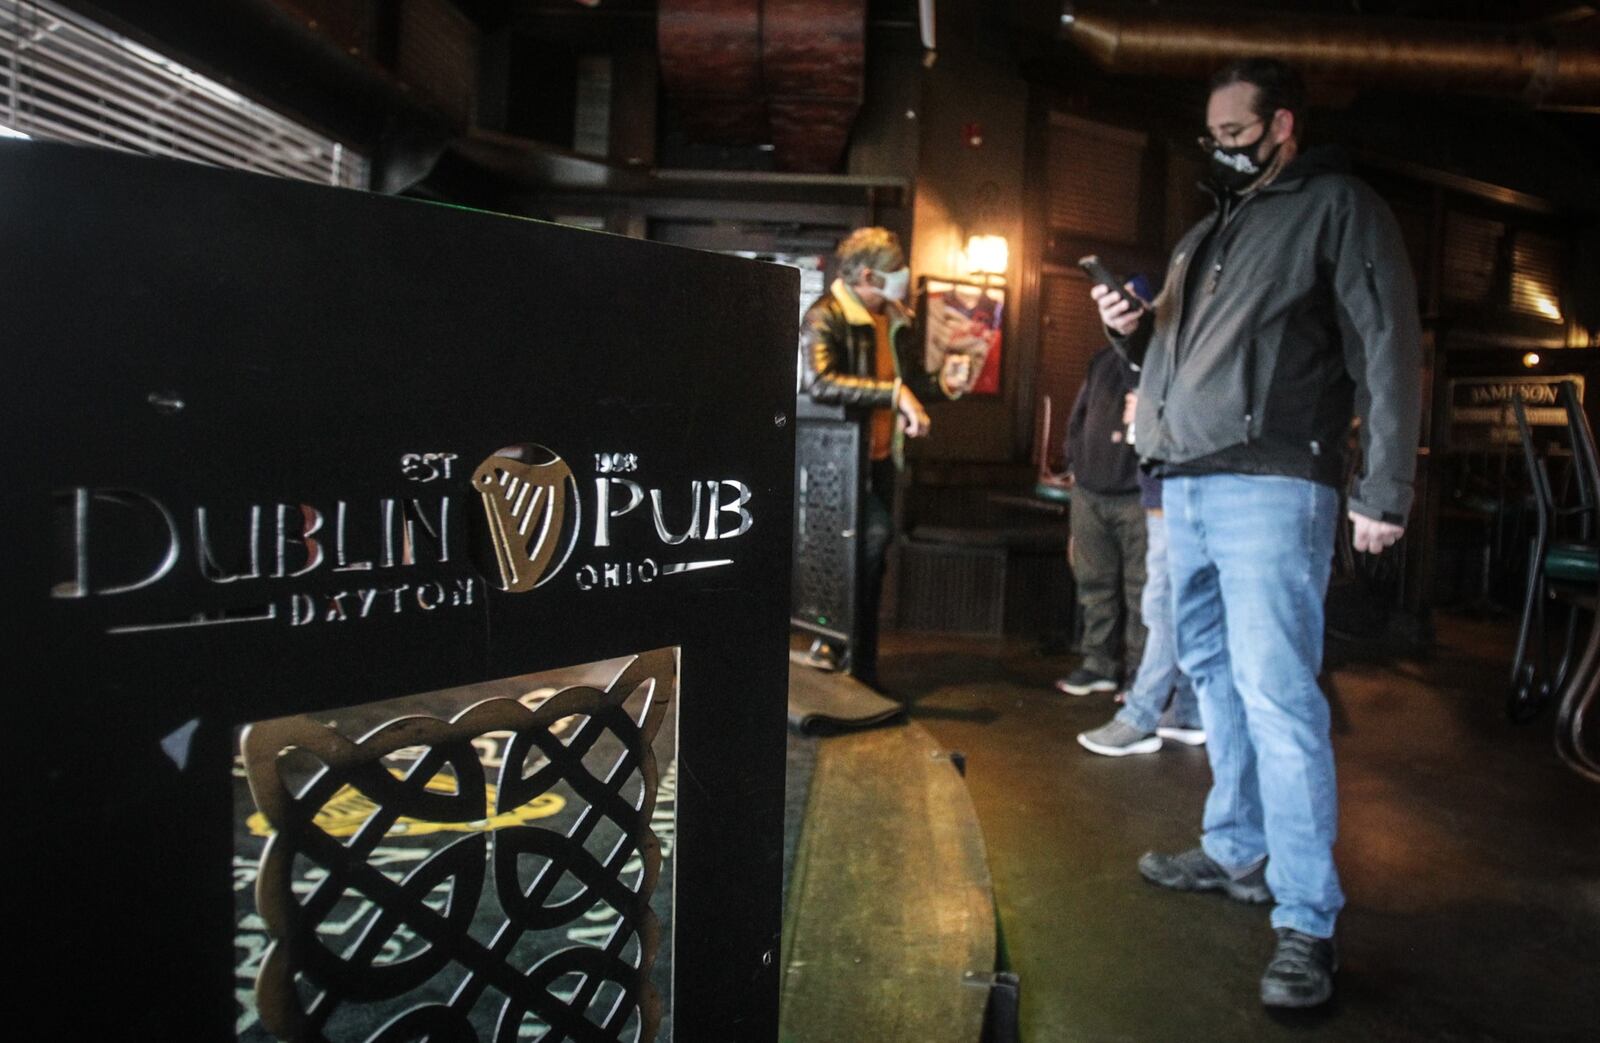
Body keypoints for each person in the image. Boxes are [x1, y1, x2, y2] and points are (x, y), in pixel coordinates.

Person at [1092, 58, 1420, 1008]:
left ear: (1282, 125)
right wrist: (1129, 330)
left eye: (1235, 133)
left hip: (1276, 483)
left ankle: (1306, 917)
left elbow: (1388, 340)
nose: (1220, 149)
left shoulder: (1339, 207)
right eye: (1211, 136)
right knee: (1208, 670)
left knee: (1278, 694)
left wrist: (1384, 489)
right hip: (1185, 483)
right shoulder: (1209, 232)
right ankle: (1237, 848)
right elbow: (1171, 355)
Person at [800, 227, 965, 690]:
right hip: (836, 463)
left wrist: (944, 386)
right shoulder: (824, 315)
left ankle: (856, 660)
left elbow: (908, 383)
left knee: (873, 554)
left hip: (879, 460)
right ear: (869, 274)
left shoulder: (893, 319)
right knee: (865, 542)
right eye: (896, 272)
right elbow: (819, 382)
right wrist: (894, 395)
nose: (903, 281)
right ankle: (839, 646)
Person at [1076, 391, 1205, 756]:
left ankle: (1141, 714)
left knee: (1161, 604)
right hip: (1165, 485)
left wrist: (1152, 410)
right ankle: (1187, 712)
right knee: (1179, 604)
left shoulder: (1185, 348)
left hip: (1177, 485)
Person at [1053, 342, 1146, 697]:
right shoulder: (1101, 359)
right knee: (1093, 583)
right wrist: (1075, 463)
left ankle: (1141, 674)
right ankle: (1098, 664)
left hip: (1139, 491)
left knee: (1143, 589)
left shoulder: (1162, 354)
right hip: (1090, 490)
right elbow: (1078, 416)